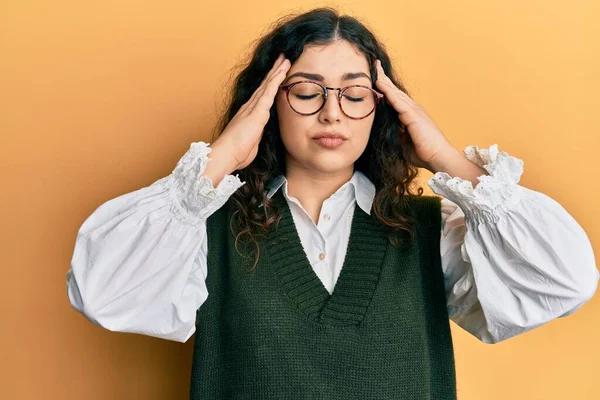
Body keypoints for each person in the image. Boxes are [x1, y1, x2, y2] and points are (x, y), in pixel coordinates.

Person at [66, 7, 599, 400]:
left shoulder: (434, 231)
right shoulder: (204, 229)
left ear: (382, 107)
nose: (332, 113)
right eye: (306, 90)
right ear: (267, 104)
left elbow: (566, 282)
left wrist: (445, 157)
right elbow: (102, 292)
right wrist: (221, 156)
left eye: (355, 92)